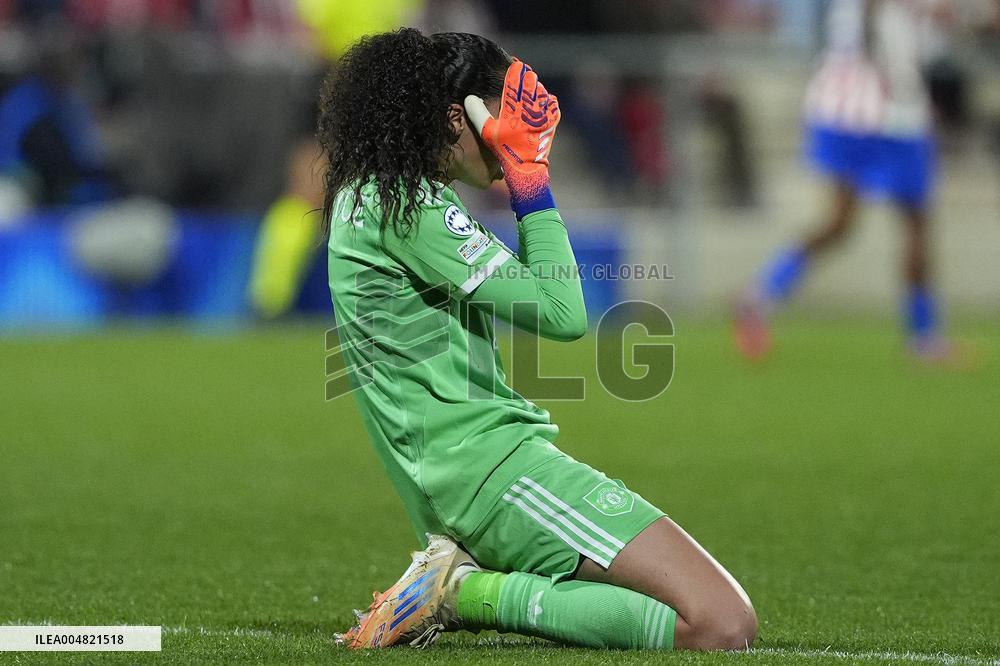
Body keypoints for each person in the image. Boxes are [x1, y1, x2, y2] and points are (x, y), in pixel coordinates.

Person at [321, 29, 756, 651]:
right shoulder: (409, 208)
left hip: (457, 477)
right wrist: (530, 180)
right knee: (721, 623)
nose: (511, 137)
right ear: (458, 116)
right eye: (500, 115)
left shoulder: (372, 200)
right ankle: (460, 593)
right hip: (490, 475)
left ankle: (460, 581)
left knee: (683, 609)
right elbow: (562, 311)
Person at [735, 0, 958, 363]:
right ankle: (923, 338)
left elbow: (916, 44)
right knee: (902, 222)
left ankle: (759, 296)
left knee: (845, 223)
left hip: (859, 112)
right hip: (877, 114)